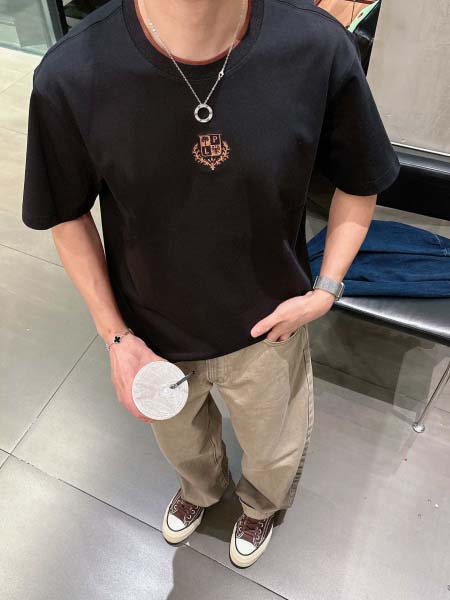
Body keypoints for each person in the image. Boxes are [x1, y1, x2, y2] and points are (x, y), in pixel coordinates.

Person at [21, 0, 400, 568]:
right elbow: (65, 212)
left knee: (274, 449)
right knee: (183, 444)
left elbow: (361, 176)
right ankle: (201, 492)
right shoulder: (72, 73)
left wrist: (326, 289)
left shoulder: (316, 47)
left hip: (271, 323)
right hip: (152, 330)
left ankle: (262, 505)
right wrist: (116, 338)